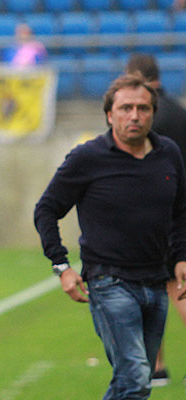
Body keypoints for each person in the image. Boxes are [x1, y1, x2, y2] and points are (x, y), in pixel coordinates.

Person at [34, 74, 186, 399]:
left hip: (156, 283)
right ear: (109, 114)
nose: (135, 115)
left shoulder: (168, 153)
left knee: (133, 380)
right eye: (126, 108)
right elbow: (46, 209)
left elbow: (180, 210)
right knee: (135, 377)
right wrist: (62, 266)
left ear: (153, 113)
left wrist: (181, 256)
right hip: (109, 282)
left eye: (143, 108)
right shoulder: (87, 158)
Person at [125, 53, 186, 387]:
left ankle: (157, 366)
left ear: (136, 75)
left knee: (148, 288)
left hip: (154, 211)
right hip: (182, 208)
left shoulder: (143, 116)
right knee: (180, 286)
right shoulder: (179, 110)